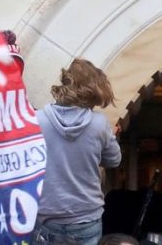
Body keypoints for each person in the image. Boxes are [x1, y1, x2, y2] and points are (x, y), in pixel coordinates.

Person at [36, 58, 122, 245]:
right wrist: (110, 137)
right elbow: (114, 160)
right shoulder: (99, 124)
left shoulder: (38, 120)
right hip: (85, 217)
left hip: (45, 215)